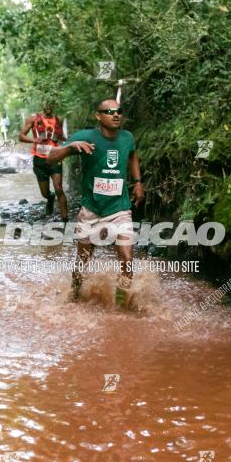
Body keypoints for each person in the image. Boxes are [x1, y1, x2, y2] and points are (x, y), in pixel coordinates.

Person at [46, 99, 144, 307]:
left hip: (119, 209)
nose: (115, 115)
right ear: (98, 116)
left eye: (119, 111)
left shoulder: (127, 138)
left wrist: (137, 182)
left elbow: (133, 156)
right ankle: (74, 293)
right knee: (83, 261)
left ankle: (121, 305)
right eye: (109, 112)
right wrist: (71, 147)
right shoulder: (85, 137)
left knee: (127, 259)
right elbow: (51, 158)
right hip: (91, 209)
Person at [18, 102, 67, 220]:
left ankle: (65, 219)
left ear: (54, 105)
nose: (48, 107)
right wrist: (35, 140)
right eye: (46, 104)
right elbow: (21, 136)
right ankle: (50, 198)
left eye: (51, 104)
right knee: (45, 193)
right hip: (40, 160)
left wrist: (70, 141)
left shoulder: (58, 119)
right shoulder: (33, 119)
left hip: (55, 158)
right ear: (42, 105)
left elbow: (62, 137)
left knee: (59, 188)